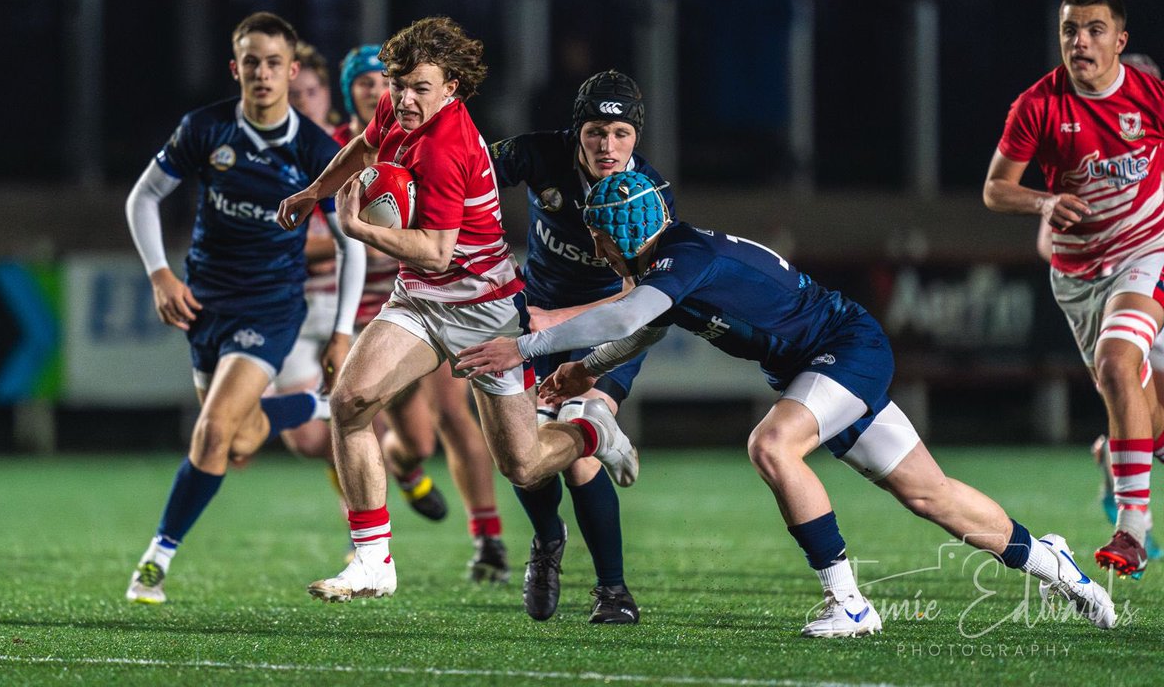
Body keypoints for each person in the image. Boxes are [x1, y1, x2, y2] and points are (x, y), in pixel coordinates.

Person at [458, 170, 1116, 636]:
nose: (599, 252)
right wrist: (582, 372)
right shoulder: (674, 261)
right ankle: (1056, 566)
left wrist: (525, 347)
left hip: (843, 349)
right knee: (931, 495)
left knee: (771, 445)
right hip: (829, 358)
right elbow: (644, 327)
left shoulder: (677, 260)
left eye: (600, 240)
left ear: (619, 231)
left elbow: (628, 311)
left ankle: (849, 605)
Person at [277, 17, 635, 602]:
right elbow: (364, 146)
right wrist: (314, 192)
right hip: (418, 299)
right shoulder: (399, 111)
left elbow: (438, 251)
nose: (404, 98)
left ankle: (592, 432)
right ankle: (373, 561)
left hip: (483, 311)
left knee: (521, 466)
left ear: (452, 88)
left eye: (420, 87)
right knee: (350, 400)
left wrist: (355, 226)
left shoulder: (447, 144)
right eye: (398, 84)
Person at [123, 12, 365, 604]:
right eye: (251, 62)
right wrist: (160, 275)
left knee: (209, 434)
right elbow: (143, 198)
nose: (262, 73)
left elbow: (349, 242)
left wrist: (340, 333)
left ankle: (155, 562)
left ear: (292, 71)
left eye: (274, 63)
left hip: (271, 306)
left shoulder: (314, 150)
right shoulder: (206, 129)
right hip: (204, 303)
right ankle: (315, 405)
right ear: (236, 68)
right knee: (237, 440)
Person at [984, 0, 1164, 579]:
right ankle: (1132, 453)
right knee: (1138, 404)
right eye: (1069, 30)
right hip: (1079, 278)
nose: (1079, 41)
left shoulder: (1151, 96)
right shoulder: (1037, 104)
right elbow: (995, 189)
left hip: (1147, 253)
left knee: (1118, 367)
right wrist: (1042, 202)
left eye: (1093, 29)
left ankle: (1133, 530)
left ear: (1120, 40)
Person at [487, 70, 674, 623]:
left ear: (637, 135)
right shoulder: (538, 156)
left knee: (574, 456)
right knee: (526, 456)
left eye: (620, 133)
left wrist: (550, 320)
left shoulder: (650, 195)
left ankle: (613, 592)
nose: (607, 147)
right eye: (595, 131)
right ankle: (548, 540)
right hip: (538, 322)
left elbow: (637, 298)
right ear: (577, 131)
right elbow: (467, 174)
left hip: (610, 330)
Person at [289, 41, 342, 136]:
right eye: (294, 94)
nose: (303, 102)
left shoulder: (350, 144)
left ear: (326, 93)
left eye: (311, 92)